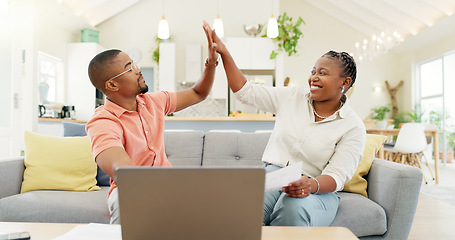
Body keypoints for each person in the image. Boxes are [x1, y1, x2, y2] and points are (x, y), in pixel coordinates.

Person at [206, 25, 366, 226]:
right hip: (273, 176)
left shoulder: (353, 127)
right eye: (313, 71)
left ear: (345, 82)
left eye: (322, 73)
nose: (313, 77)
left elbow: (336, 176)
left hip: (317, 189)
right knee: (240, 209)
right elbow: (245, 92)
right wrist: (224, 52)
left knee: (293, 206)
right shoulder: (292, 97)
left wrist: (310, 184)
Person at [85, 22, 219, 224]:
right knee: (127, 201)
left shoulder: (153, 102)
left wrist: (211, 62)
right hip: (132, 190)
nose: (138, 70)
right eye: (130, 68)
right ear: (112, 85)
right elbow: (124, 173)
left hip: (168, 185)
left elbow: (198, 93)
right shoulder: (103, 121)